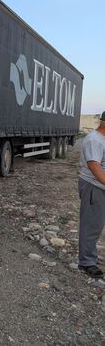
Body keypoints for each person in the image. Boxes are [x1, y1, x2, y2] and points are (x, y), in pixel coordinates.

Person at [78, 112, 105, 278]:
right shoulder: (94, 140)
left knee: (97, 223)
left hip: (100, 187)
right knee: (92, 225)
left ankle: (89, 258)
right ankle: (87, 262)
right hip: (94, 187)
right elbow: (95, 167)